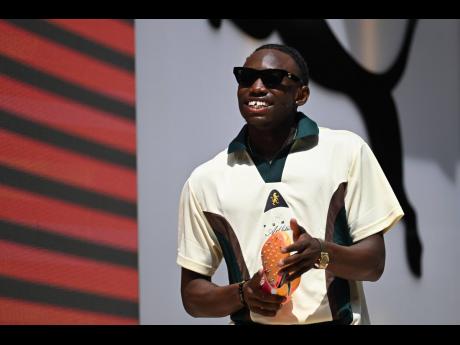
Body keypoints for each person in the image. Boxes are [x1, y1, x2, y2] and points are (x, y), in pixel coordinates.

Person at [177, 43, 404, 325]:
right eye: (245, 78)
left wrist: (321, 253)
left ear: (302, 94)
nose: (256, 87)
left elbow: (373, 264)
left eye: (272, 79)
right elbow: (192, 296)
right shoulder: (206, 180)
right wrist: (244, 294)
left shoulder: (345, 151)